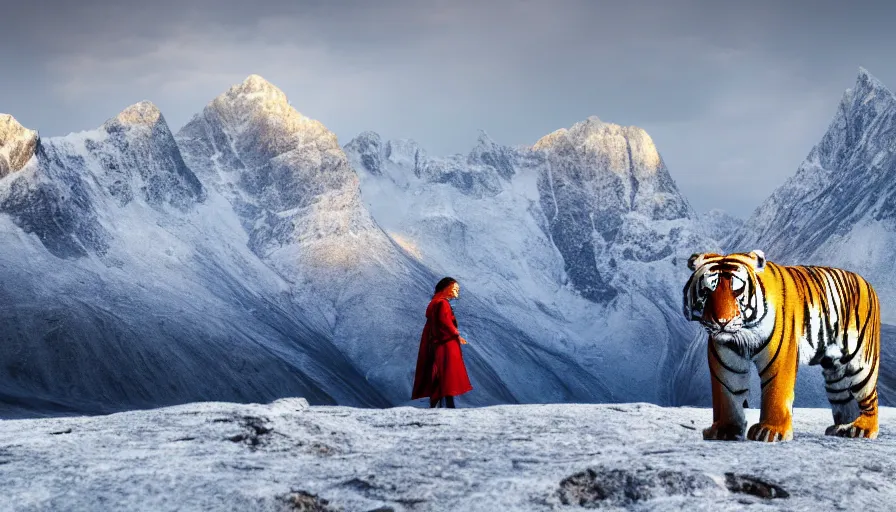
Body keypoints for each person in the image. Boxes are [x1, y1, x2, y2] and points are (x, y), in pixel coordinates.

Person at [411, 277, 473, 408]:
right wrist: (457, 335)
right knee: (447, 375)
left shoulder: (434, 302)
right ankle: (448, 406)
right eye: (455, 288)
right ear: (447, 288)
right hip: (446, 344)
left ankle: (439, 405)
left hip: (436, 344)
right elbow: (445, 322)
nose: (457, 291)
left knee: (440, 375)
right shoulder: (443, 304)